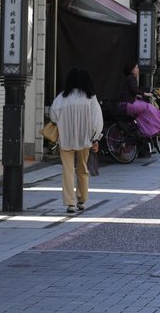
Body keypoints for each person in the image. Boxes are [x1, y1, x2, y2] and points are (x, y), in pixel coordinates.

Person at [49, 67, 103, 215]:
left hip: (65, 138)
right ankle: (82, 199)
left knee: (67, 170)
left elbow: (53, 116)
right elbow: (96, 121)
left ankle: (70, 203)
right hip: (85, 138)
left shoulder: (62, 97)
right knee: (82, 169)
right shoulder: (90, 98)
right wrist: (95, 138)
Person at [117, 62, 160, 137]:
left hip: (124, 104)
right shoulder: (131, 78)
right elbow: (134, 90)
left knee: (143, 113)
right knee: (150, 107)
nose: (138, 69)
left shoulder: (128, 78)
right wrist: (145, 94)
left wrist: (139, 95)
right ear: (132, 70)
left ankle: (146, 131)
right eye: (136, 67)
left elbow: (130, 91)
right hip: (128, 104)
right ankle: (158, 128)